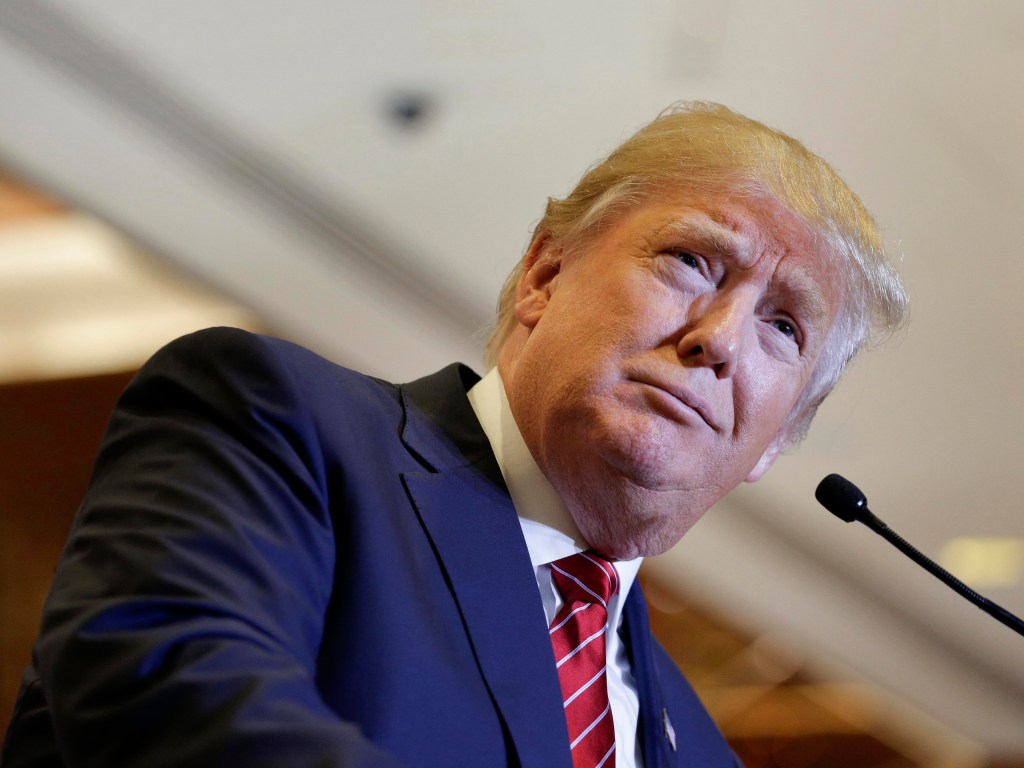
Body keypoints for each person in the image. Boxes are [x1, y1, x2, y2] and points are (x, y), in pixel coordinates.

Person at [1, 101, 907, 768]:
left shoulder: (707, 752)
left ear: (779, 440)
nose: (717, 337)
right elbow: (162, 687)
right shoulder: (282, 424)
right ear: (546, 272)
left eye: (785, 327)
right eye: (692, 261)